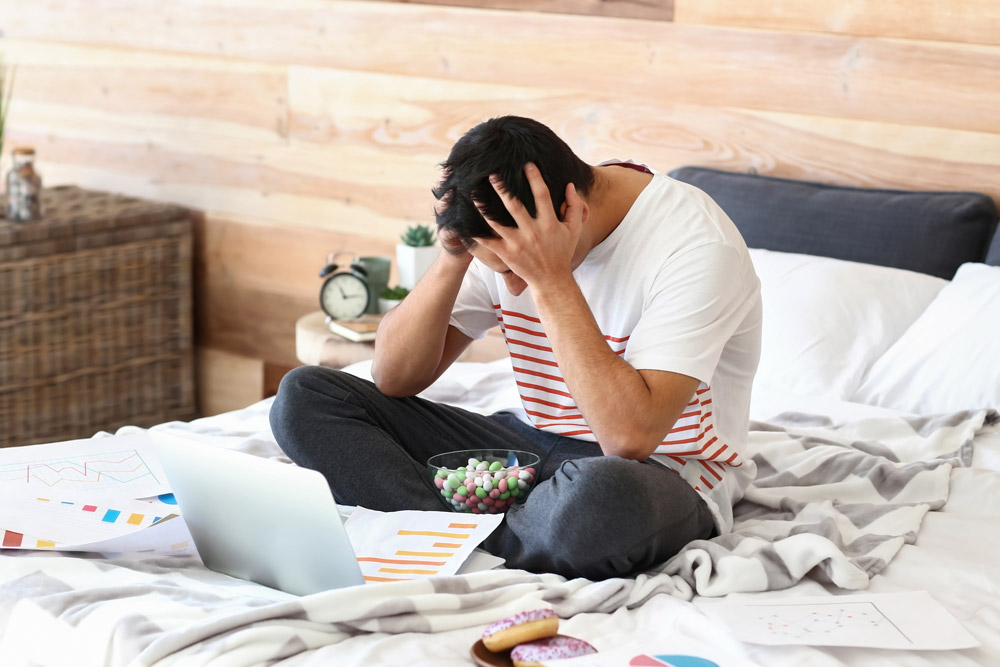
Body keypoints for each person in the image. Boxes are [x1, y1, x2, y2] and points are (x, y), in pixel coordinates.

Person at [270, 116, 762, 581]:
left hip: (659, 471)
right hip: (529, 448)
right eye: (501, 271)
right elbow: (394, 378)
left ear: (572, 212)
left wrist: (549, 278)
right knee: (305, 397)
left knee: (601, 502)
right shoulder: (504, 228)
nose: (512, 287)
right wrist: (451, 259)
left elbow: (629, 438)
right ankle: (483, 532)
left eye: (512, 271)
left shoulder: (696, 247)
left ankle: (443, 524)